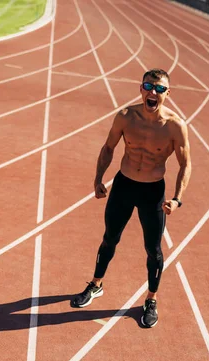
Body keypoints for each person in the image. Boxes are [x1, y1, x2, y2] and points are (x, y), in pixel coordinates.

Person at [71, 68, 192, 328]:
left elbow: (185, 164)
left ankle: (151, 299)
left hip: (153, 193)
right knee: (109, 239)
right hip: (124, 186)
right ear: (141, 88)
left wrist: (177, 198)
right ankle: (96, 284)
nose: (153, 92)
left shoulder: (174, 126)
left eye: (159, 89)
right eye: (149, 86)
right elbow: (108, 148)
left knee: (153, 250)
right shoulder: (126, 117)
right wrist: (98, 179)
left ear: (167, 94)